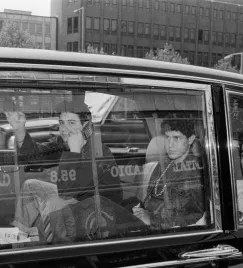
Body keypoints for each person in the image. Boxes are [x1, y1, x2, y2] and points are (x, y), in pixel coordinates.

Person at [5, 93, 141, 243]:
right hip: (77, 201)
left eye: (71, 123)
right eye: (62, 123)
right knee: (30, 185)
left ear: (85, 125)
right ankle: (20, 239)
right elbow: (35, 157)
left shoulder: (97, 152)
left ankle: (52, 250)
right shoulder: (66, 142)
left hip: (99, 213)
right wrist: (19, 130)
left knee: (54, 202)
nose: (64, 129)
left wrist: (74, 151)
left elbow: (65, 191)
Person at [132, 117, 206, 229]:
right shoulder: (162, 164)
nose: (170, 145)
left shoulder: (196, 172)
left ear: (190, 139)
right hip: (147, 224)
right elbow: (150, 198)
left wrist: (151, 219)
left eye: (176, 138)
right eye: (167, 138)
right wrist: (137, 209)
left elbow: (192, 217)